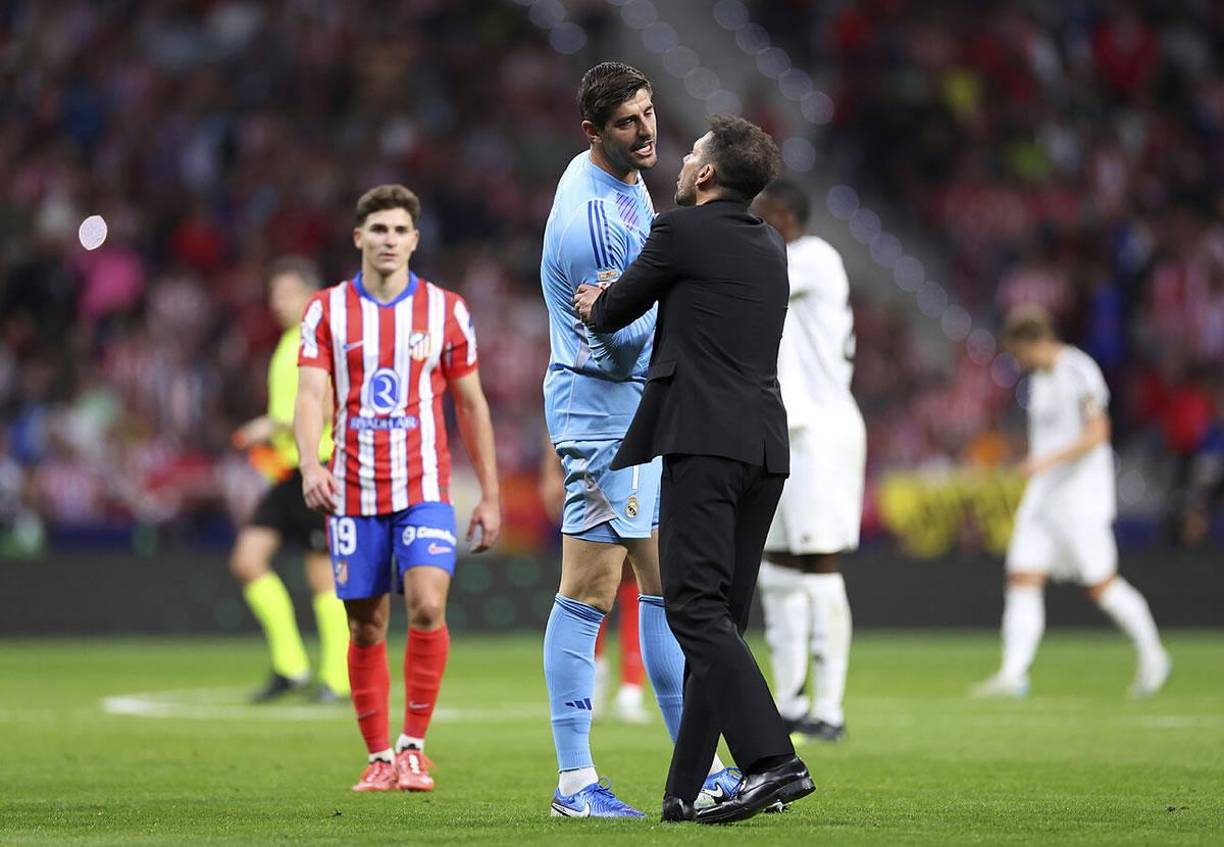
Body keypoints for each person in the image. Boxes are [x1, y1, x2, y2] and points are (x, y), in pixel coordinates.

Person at [576, 115, 814, 825]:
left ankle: (773, 762)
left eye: (691, 155)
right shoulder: (771, 243)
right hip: (764, 449)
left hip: (705, 443)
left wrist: (596, 300)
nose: (680, 163)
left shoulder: (679, 231)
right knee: (721, 623)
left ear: (707, 174)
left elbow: (616, 310)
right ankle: (683, 790)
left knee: (692, 609)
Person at [539, 62, 737, 818]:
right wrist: (675, 299)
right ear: (594, 132)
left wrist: (639, 296)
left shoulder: (622, 176)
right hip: (601, 411)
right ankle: (575, 781)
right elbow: (619, 344)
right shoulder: (592, 220)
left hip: (631, 409)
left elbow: (624, 308)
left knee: (663, 588)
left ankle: (701, 764)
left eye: (649, 112)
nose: (647, 129)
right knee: (588, 588)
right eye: (628, 121)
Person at [295, 184, 501, 793]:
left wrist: (489, 493)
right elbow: (310, 394)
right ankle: (378, 755)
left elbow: (471, 403)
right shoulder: (325, 311)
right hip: (352, 490)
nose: (389, 240)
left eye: (399, 231)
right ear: (358, 237)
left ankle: (413, 747)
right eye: (378, 230)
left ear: (415, 239)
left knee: (428, 606)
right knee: (365, 627)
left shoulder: (446, 310)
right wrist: (312, 463)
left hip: (424, 485)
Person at [973, 305, 1170, 698]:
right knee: (1023, 577)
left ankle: (1153, 653)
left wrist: (1045, 460)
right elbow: (1050, 437)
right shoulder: (1038, 383)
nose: (1018, 361)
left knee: (1102, 585)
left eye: (1018, 352)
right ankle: (1014, 674)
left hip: (1080, 496)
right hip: (1044, 496)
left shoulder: (1079, 371)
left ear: (1035, 341)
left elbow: (1098, 433)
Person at [751, 180, 865, 743]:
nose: (757, 224)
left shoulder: (815, 259)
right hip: (786, 428)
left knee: (819, 561)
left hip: (822, 430)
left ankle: (831, 708)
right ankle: (790, 701)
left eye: (763, 215)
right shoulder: (786, 259)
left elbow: (754, 277)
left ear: (787, 217)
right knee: (777, 564)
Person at [228, 257, 350, 703]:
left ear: (310, 296)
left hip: (320, 466)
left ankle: (337, 679)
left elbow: (333, 401)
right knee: (247, 560)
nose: (277, 303)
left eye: (286, 294)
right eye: (274, 295)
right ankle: (291, 664)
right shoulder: (286, 343)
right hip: (287, 473)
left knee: (323, 576)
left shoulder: (323, 340)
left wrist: (272, 425)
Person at [538, 446, 649, 723]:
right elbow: (561, 423)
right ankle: (600, 683)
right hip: (593, 483)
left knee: (633, 583)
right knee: (593, 586)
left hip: (633, 481)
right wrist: (551, 474)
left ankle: (628, 689)